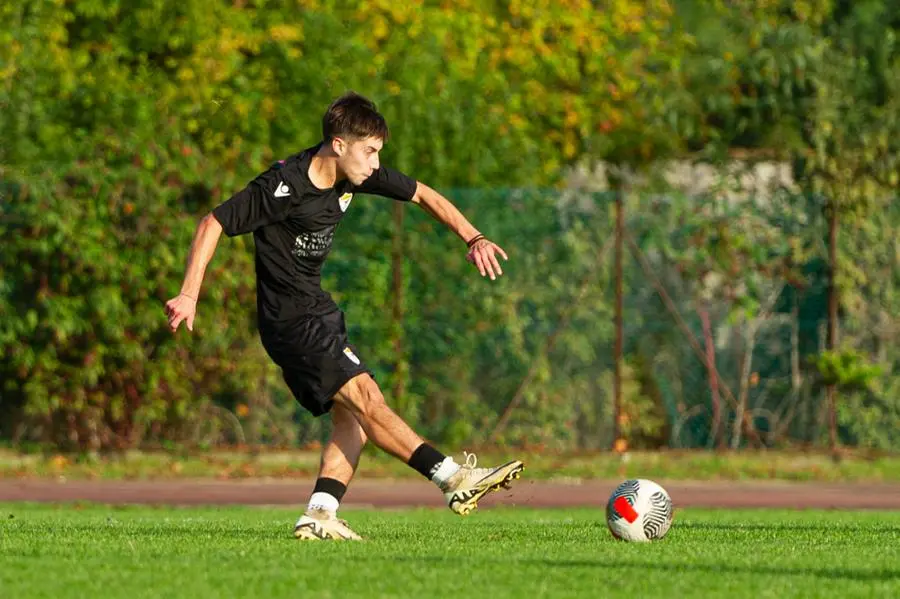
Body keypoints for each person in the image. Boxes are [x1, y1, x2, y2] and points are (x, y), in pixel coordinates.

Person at [165, 92, 524, 540]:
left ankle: (319, 515)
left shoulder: (353, 174)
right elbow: (212, 223)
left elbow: (422, 194)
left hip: (318, 313)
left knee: (350, 416)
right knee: (367, 398)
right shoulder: (283, 186)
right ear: (338, 144)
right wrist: (189, 295)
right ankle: (452, 478)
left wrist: (474, 238)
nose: (376, 164)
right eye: (370, 151)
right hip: (292, 322)